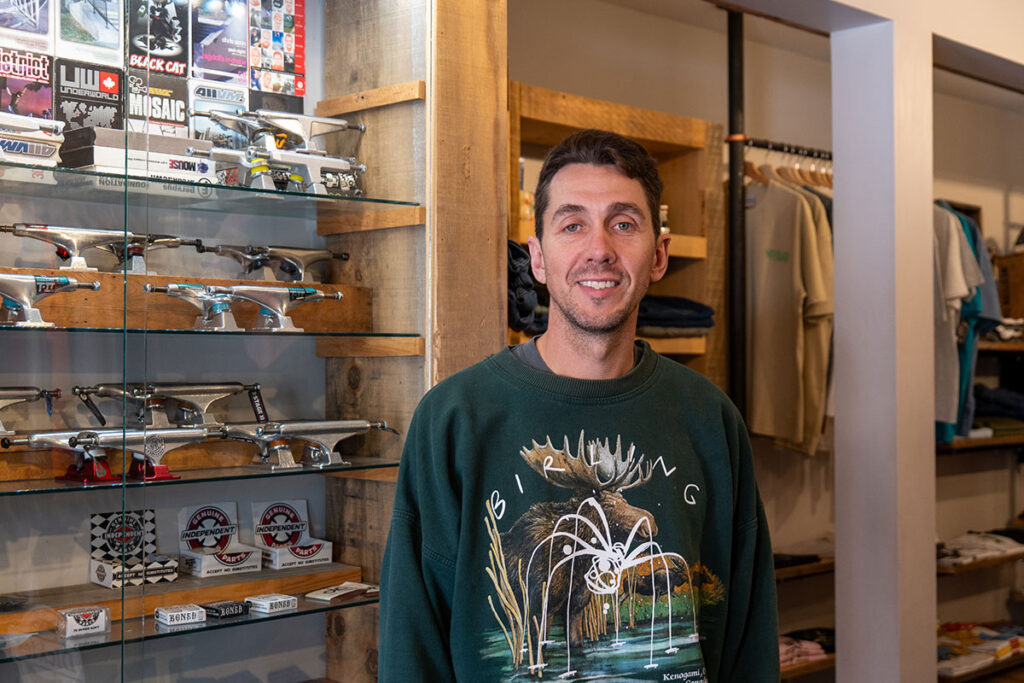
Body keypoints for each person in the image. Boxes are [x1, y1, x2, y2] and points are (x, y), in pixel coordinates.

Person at [379, 129, 779, 682]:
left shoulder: (710, 420)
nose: (599, 249)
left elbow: (748, 642)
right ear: (538, 258)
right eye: (573, 224)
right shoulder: (454, 420)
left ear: (658, 254)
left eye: (624, 223)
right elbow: (412, 642)